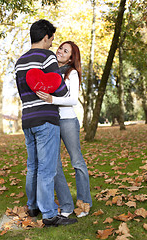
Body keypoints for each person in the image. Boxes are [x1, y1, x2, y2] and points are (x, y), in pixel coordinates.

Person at [15, 20, 77, 227]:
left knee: (32, 165)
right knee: (46, 169)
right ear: (45, 37)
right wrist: (63, 93)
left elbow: (24, 90)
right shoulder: (47, 56)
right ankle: (49, 214)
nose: (52, 44)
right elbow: (56, 84)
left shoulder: (20, 61)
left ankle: (32, 206)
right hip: (46, 118)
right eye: (51, 39)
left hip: (27, 119)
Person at [36, 41, 92, 218]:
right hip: (51, 121)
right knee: (54, 165)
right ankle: (67, 205)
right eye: (60, 48)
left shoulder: (71, 73)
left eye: (65, 51)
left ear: (71, 57)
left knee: (77, 161)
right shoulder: (49, 70)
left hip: (67, 121)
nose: (60, 51)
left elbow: (73, 99)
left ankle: (84, 203)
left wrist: (52, 100)